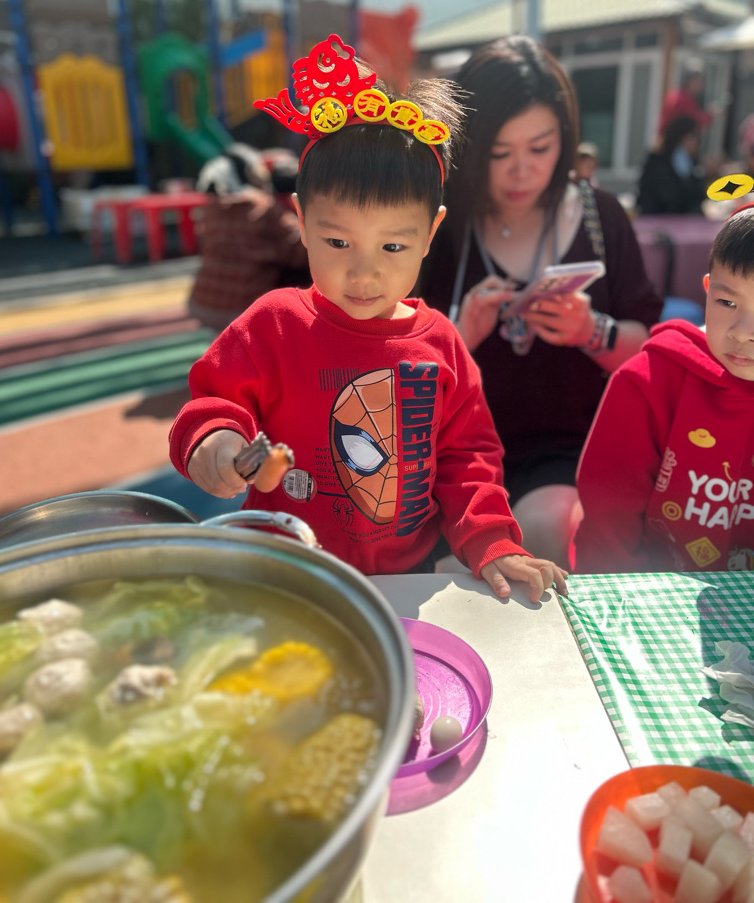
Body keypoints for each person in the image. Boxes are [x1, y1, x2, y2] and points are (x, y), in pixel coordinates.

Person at [169, 34, 568, 603]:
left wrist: (490, 540)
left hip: (409, 580)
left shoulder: (441, 343)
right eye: (338, 242)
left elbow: (467, 459)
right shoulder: (273, 324)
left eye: (393, 247)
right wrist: (214, 441)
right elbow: (214, 402)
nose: (363, 274)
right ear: (301, 221)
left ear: (429, 234)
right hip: (289, 570)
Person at [418, 36, 663, 565]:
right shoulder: (439, 223)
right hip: (450, 453)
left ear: (565, 140)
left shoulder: (599, 216)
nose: (522, 171)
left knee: (548, 528)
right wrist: (457, 338)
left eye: (540, 148)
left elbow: (647, 352)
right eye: (499, 153)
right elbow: (384, 360)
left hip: (566, 451)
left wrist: (591, 331)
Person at [574, 205, 754, 573]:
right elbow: (608, 522)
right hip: (656, 591)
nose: (741, 332)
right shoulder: (648, 382)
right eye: (727, 302)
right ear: (707, 290)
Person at [188, 143, 310, 332]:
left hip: (201, 303)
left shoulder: (210, 209)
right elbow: (303, 249)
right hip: (243, 308)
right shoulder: (265, 208)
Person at [636, 114, 706, 216]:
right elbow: (668, 199)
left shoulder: (690, 164)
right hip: (657, 221)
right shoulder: (658, 163)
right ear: (682, 137)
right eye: (694, 136)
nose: (697, 143)